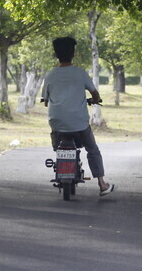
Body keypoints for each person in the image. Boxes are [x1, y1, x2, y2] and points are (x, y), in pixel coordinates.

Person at [41, 36, 116, 196]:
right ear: (73, 54)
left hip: (57, 122)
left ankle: (59, 153)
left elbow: (46, 101)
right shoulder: (81, 73)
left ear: (56, 55)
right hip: (79, 123)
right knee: (92, 149)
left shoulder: (50, 75)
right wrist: (94, 100)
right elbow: (95, 94)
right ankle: (102, 184)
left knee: (56, 138)